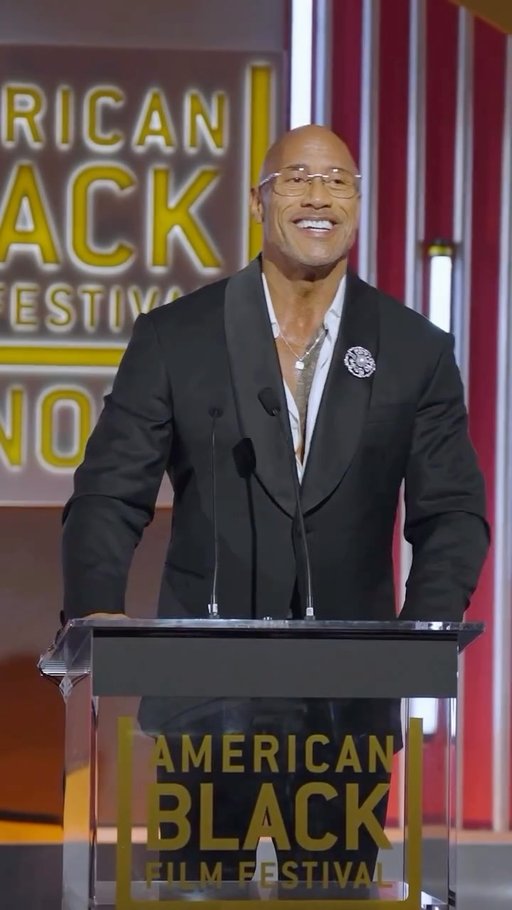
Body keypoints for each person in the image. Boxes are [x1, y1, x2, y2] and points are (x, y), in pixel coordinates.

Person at [62, 125, 489, 887]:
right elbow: (109, 491)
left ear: (357, 203)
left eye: (338, 181)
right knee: (197, 896)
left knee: (335, 900)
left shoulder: (414, 349)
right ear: (259, 202)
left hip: (348, 704)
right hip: (204, 699)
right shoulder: (176, 338)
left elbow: (452, 510)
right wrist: (96, 609)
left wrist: (421, 635)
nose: (318, 196)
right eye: (296, 178)